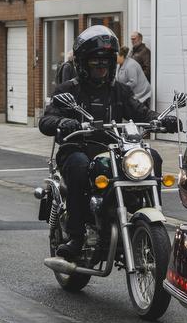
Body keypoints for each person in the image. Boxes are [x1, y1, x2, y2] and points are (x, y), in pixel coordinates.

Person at [38, 25, 178, 262]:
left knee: (151, 157)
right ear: (83, 63)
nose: (101, 68)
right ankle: (76, 236)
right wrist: (62, 121)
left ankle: (152, 217)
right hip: (77, 148)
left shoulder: (119, 90)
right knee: (80, 166)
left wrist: (160, 120)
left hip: (112, 150)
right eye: (95, 63)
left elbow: (140, 111)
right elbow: (46, 119)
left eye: (105, 63)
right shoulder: (68, 90)